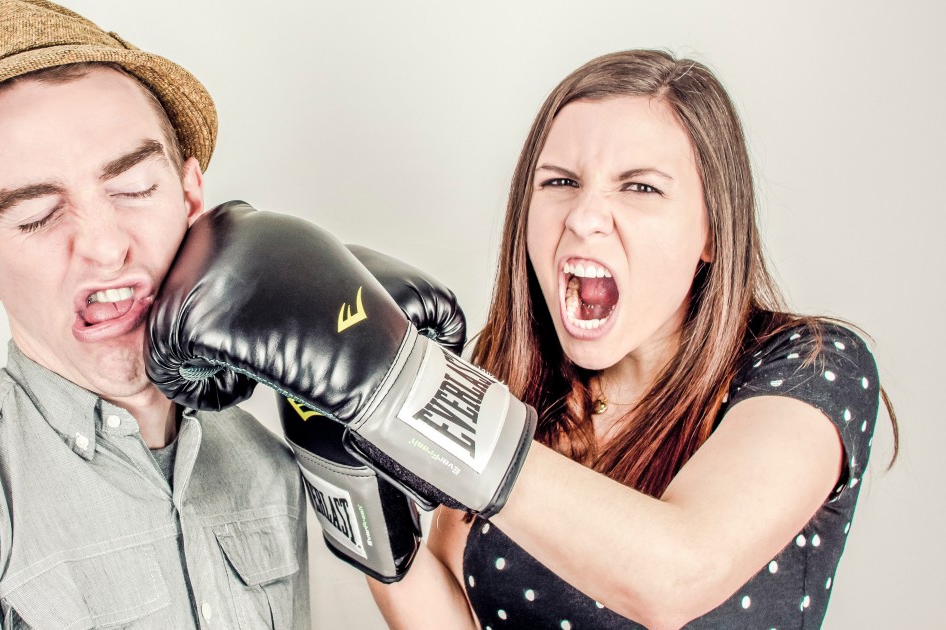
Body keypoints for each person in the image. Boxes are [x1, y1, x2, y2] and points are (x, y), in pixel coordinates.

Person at [0, 1, 308, 628]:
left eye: (133, 189)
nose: (103, 244)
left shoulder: (267, 464)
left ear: (192, 196)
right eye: (37, 213)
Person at [365, 49, 898, 629]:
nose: (583, 216)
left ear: (714, 233)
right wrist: (345, 471)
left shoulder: (811, 366)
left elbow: (677, 574)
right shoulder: (513, 375)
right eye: (560, 181)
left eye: (640, 188)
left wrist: (416, 408)